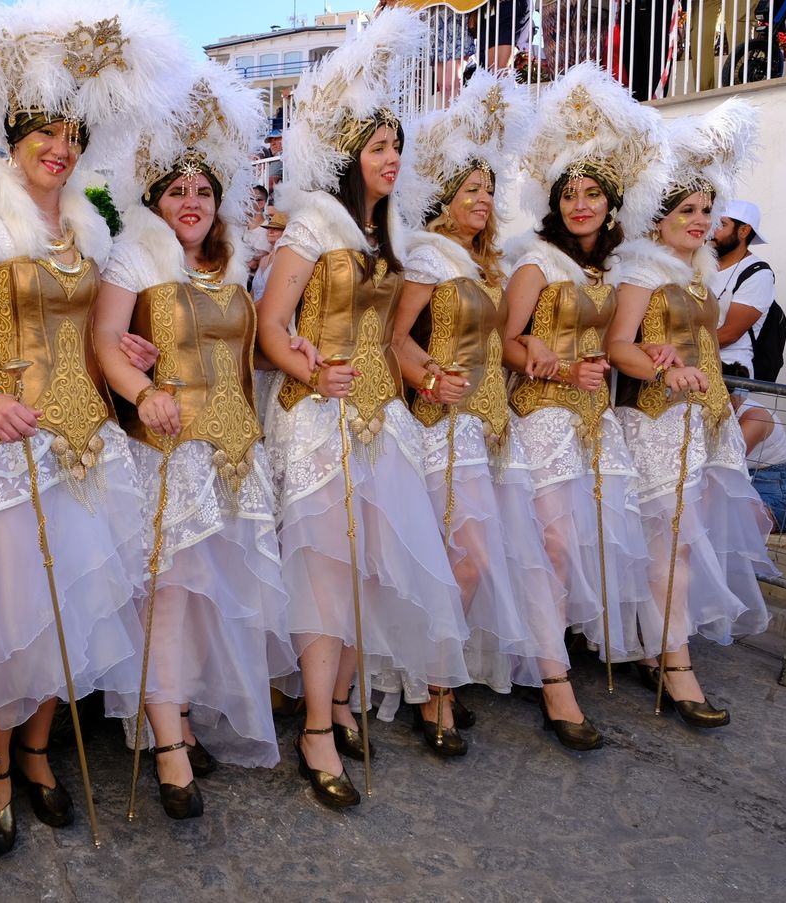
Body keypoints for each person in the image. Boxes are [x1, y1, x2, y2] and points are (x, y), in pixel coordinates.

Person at [0, 1, 183, 855]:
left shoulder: (92, 227)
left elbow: (97, 335)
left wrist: (126, 344)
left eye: (72, 134)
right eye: (44, 132)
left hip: (88, 445)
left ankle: (37, 752)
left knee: (71, 608)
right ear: (14, 135)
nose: (59, 148)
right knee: (13, 616)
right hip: (11, 446)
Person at [258, 10, 468, 797]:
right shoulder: (312, 220)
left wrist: (422, 373)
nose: (393, 159)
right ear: (350, 156)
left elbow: (390, 336)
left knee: (369, 571)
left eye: (397, 147)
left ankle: (341, 699)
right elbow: (270, 326)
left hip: (383, 420)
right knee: (325, 569)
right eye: (379, 148)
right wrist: (311, 374)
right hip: (317, 420)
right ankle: (315, 728)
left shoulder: (394, 231)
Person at [94, 61, 293, 820]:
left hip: (234, 453)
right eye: (177, 191)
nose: (191, 202)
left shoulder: (236, 265)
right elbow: (109, 340)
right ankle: (167, 737)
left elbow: (254, 346)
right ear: (154, 199)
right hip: (170, 455)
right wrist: (143, 392)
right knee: (169, 598)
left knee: (221, 593)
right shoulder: (134, 256)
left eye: (203, 191)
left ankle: (185, 711)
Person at [391, 71, 599, 750]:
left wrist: (534, 342)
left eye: (487, 189)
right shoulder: (429, 255)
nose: (481, 199)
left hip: (490, 425)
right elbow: (393, 339)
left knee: (482, 558)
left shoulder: (491, 267)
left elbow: (501, 337)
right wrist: (426, 379)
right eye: (469, 190)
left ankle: (440, 675)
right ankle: (432, 686)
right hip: (443, 424)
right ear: (444, 199)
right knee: (467, 558)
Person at [607, 99, 775, 729]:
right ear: (661, 214)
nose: (702, 220)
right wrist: (664, 368)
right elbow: (617, 346)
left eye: (709, 210)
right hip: (653, 421)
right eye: (689, 210)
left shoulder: (697, 275)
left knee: (674, 543)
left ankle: (655, 646)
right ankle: (675, 665)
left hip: (698, 422)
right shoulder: (640, 271)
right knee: (668, 548)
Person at [500, 63, 661, 686]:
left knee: (597, 540)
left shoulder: (611, 271)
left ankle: (569, 646)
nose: (579, 205)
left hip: (595, 421)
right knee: (554, 545)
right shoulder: (535, 264)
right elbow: (506, 342)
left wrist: (665, 355)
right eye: (569, 195)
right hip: (542, 418)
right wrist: (557, 365)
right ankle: (549, 672)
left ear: (610, 203)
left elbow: (622, 339)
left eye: (591, 194)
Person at [729, 366, 786, 533]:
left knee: (721, 521)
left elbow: (725, 461)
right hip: (733, 487)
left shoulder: (755, 417)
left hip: (774, 493)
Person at [710, 199, 775, 377]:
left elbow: (730, 333)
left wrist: (680, 348)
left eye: (720, 224)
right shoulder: (699, 262)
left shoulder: (758, 274)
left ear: (744, 231)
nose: (710, 231)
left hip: (727, 370)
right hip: (684, 363)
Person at [252, 209, 287, 303]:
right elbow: (253, 292)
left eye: (276, 228)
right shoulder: (263, 259)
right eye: (269, 228)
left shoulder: (284, 259)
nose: (270, 231)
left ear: (285, 232)